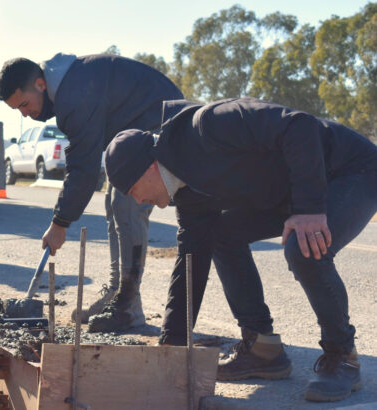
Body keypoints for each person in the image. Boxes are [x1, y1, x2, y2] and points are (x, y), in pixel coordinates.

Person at [104, 97, 377, 402]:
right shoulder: (187, 192)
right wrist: (174, 345)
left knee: (303, 247)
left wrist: (309, 208)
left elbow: (299, 126)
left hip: (350, 170)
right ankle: (263, 348)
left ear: (149, 168)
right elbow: (191, 260)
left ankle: (343, 356)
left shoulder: (211, 124)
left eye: (133, 191)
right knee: (221, 234)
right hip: (291, 190)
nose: (139, 201)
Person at [0, 54, 183, 329]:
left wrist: (60, 223)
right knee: (114, 198)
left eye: (24, 104)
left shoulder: (74, 94)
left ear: (39, 84)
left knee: (127, 201)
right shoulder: (70, 86)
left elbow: (83, 167)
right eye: (17, 110)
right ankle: (117, 294)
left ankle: (128, 307)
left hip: (165, 126)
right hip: (143, 127)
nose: (25, 113)